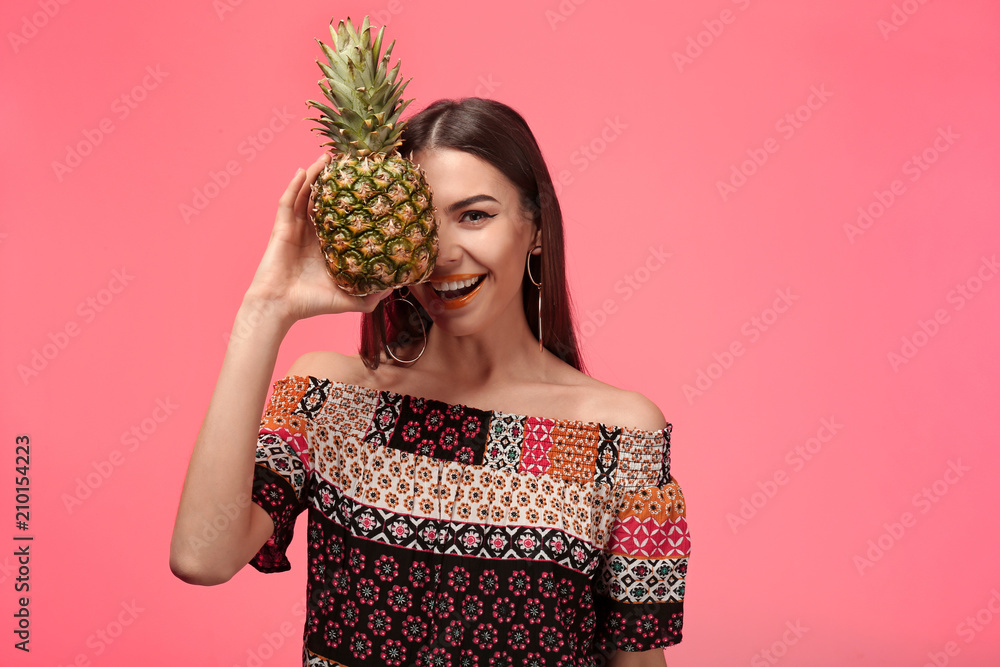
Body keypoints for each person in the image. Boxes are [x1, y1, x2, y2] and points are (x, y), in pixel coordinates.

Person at [170, 97, 690, 666]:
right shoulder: (333, 399)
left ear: (536, 228)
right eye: (421, 220)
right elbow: (201, 555)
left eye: (474, 215)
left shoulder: (620, 437)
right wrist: (264, 310)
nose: (442, 253)